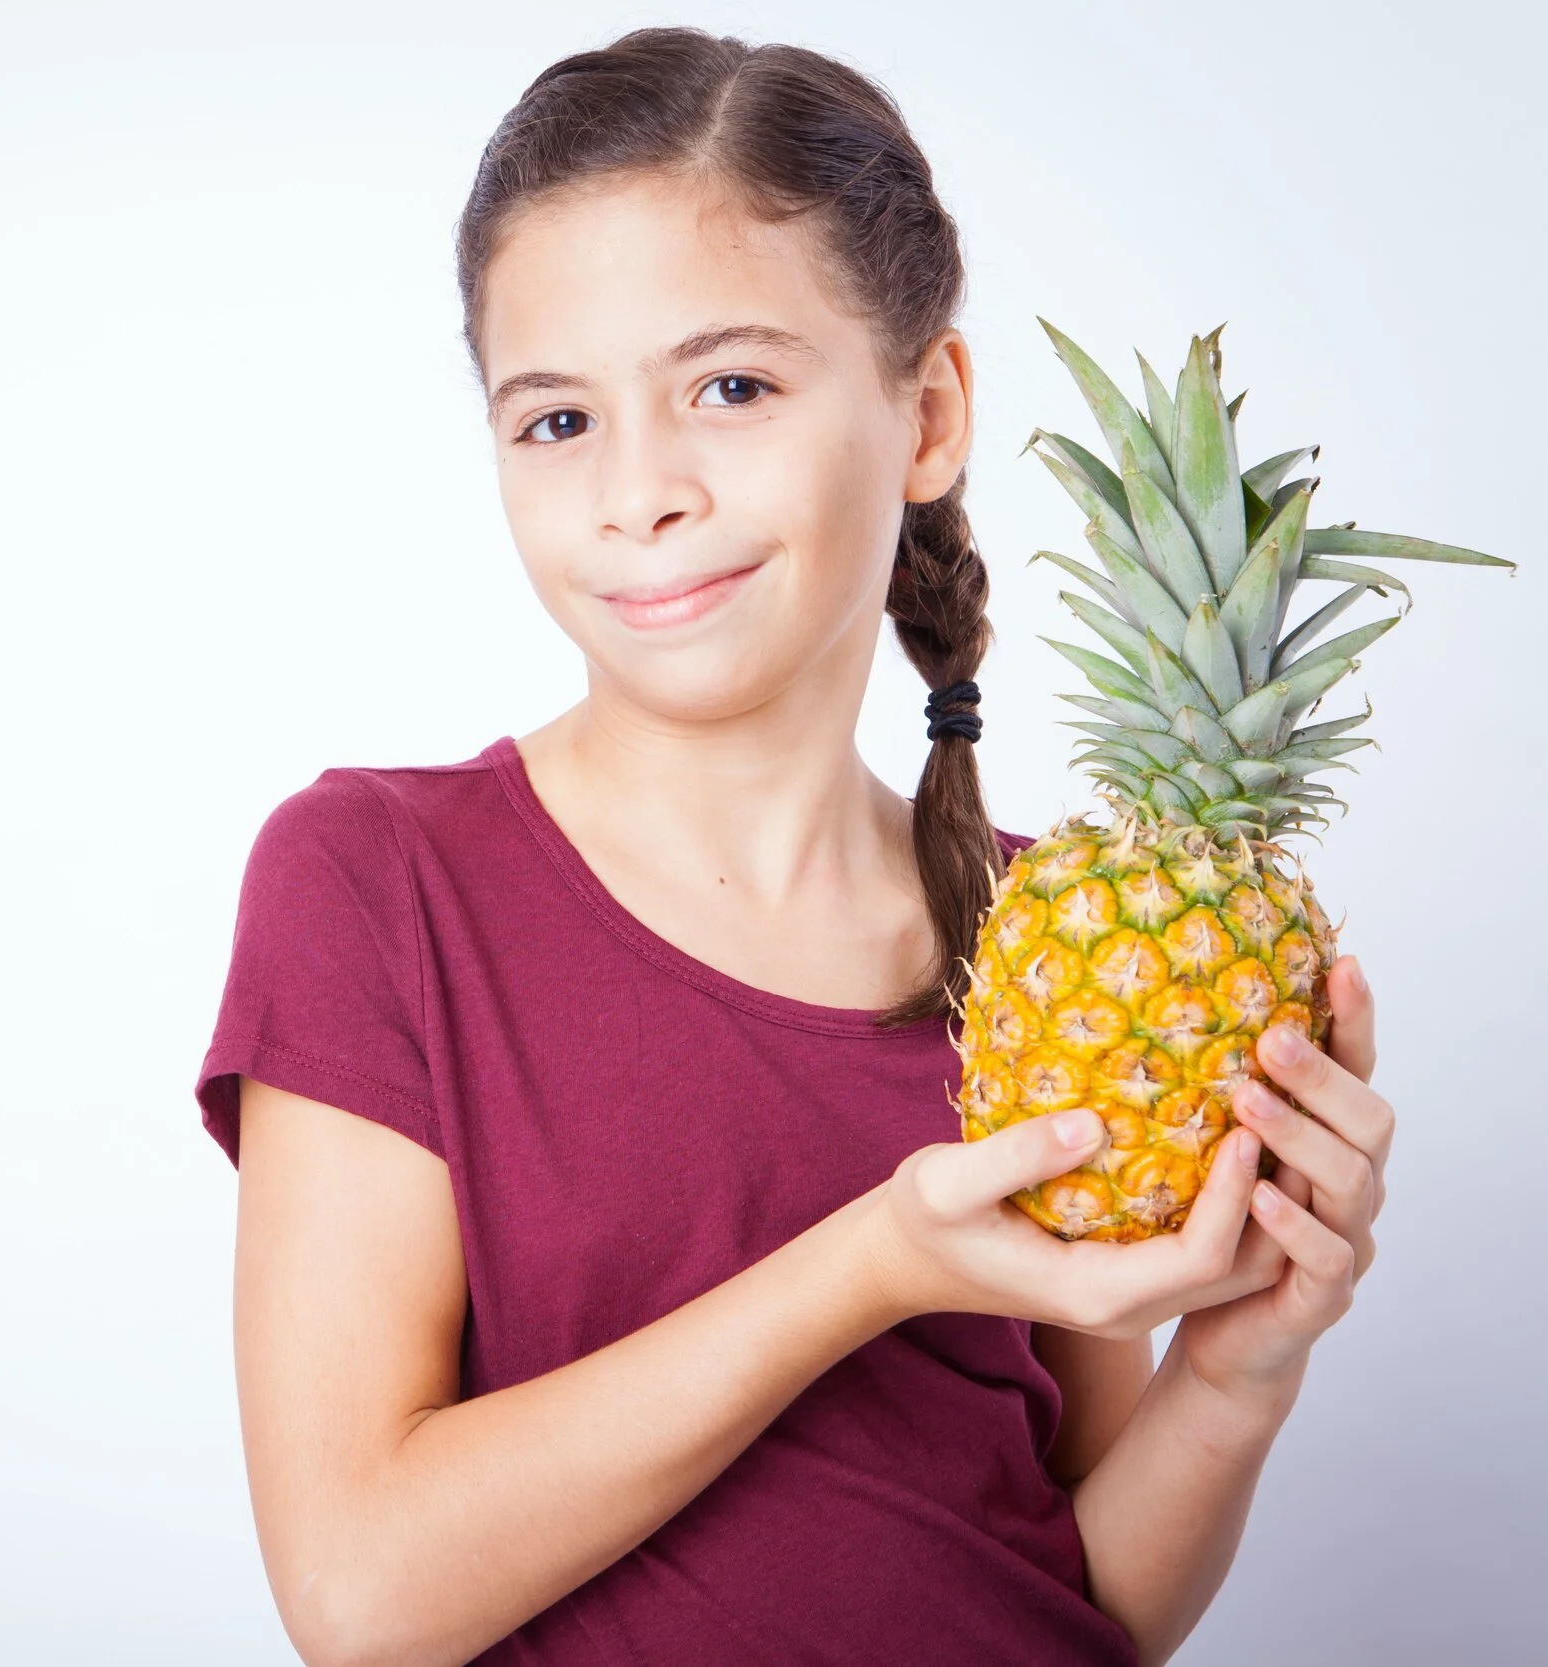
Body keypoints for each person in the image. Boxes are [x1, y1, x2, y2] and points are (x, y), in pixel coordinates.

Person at [193, 28, 1389, 1667]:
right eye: (558, 420)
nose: (641, 492)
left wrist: (1243, 1366)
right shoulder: (377, 881)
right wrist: (875, 1263)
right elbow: (360, 1598)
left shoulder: (1048, 942)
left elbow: (1080, 1601)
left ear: (929, 414)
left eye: (731, 388)